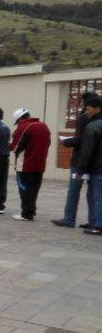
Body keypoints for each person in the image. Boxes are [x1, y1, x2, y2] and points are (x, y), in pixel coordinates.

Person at [53, 92, 98, 228]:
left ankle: (69, 219)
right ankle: (94, 221)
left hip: (80, 159)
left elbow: (83, 140)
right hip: (95, 162)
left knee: (74, 190)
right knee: (93, 193)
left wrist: (67, 141)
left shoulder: (84, 118)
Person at [9, 108, 52, 221]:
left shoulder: (23, 127)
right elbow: (48, 143)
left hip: (25, 165)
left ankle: (26, 214)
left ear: (20, 119)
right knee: (34, 189)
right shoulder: (44, 126)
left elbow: (16, 147)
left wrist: (8, 146)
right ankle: (31, 211)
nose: (17, 124)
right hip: (40, 164)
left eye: (17, 122)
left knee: (25, 189)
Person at [76, 96, 102, 235]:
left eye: (88, 109)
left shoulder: (92, 126)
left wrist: (80, 169)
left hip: (97, 168)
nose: (86, 111)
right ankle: (94, 221)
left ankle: (98, 225)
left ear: (97, 109)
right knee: (93, 196)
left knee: (96, 198)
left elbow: (87, 151)